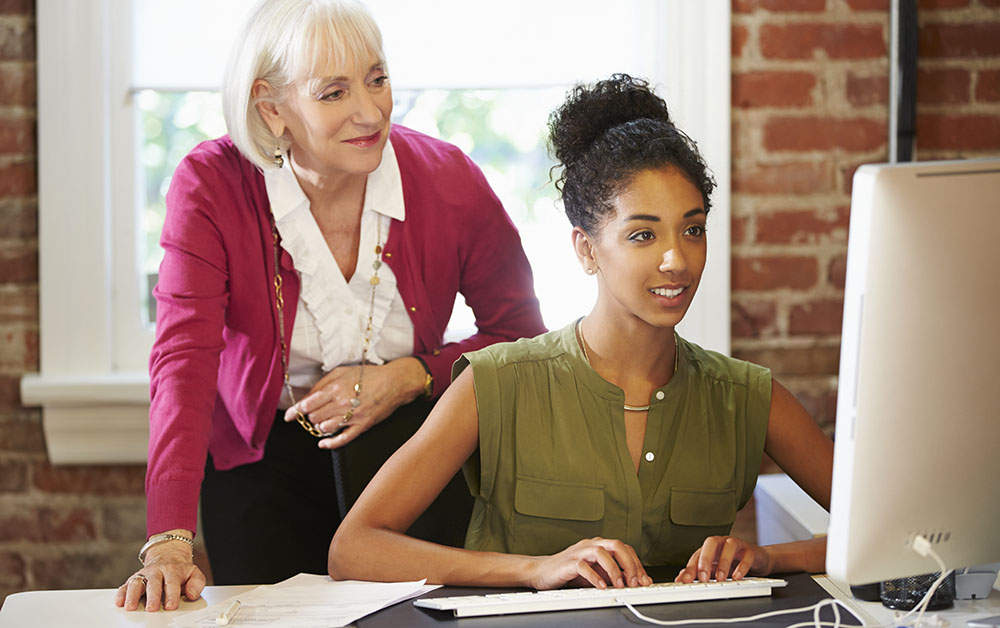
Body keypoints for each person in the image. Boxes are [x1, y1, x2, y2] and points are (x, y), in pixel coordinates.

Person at [114, 0, 545, 612]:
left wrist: (411, 376)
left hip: (411, 457)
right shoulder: (210, 184)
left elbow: (522, 337)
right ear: (272, 108)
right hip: (261, 460)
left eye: (377, 79)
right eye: (334, 92)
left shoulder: (449, 179)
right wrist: (168, 539)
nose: (370, 112)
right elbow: (183, 361)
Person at [328, 74, 834, 590]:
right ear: (587, 249)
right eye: (642, 234)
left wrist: (769, 559)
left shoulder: (746, 396)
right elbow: (355, 548)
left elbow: (905, 536)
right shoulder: (496, 384)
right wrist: (534, 568)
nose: (676, 260)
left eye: (693, 229)